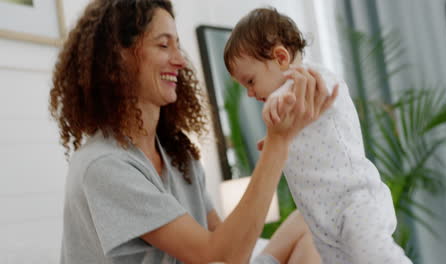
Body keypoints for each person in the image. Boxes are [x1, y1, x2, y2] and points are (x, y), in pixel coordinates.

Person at [49, 1, 336, 263]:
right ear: (116, 60)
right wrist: (278, 142)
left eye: (177, 46)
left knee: (310, 221)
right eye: (164, 46)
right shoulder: (104, 166)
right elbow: (222, 253)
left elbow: (227, 242)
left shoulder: (178, 155)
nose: (181, 60)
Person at [224, 7, 413, 264]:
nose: (249, 93)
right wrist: (273, 141)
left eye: (250, 81)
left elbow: (299, 99)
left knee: (376, 256)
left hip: (353, 201)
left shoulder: (311, 78)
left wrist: (273, 108)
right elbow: (302, 130)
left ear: (280, 58)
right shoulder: (292, 101)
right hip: (321, 215)